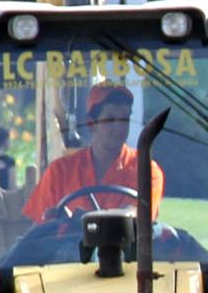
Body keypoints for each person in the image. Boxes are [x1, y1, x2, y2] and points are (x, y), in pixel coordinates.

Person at [22, 81, 163, 223]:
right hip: (69, 246)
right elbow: (37, 233)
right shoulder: (59, 172)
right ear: (90, 123)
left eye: (124, 119)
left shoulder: (146, 171)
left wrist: (75, 220)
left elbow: (134, 214)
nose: (119, 128)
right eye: (111, 119)